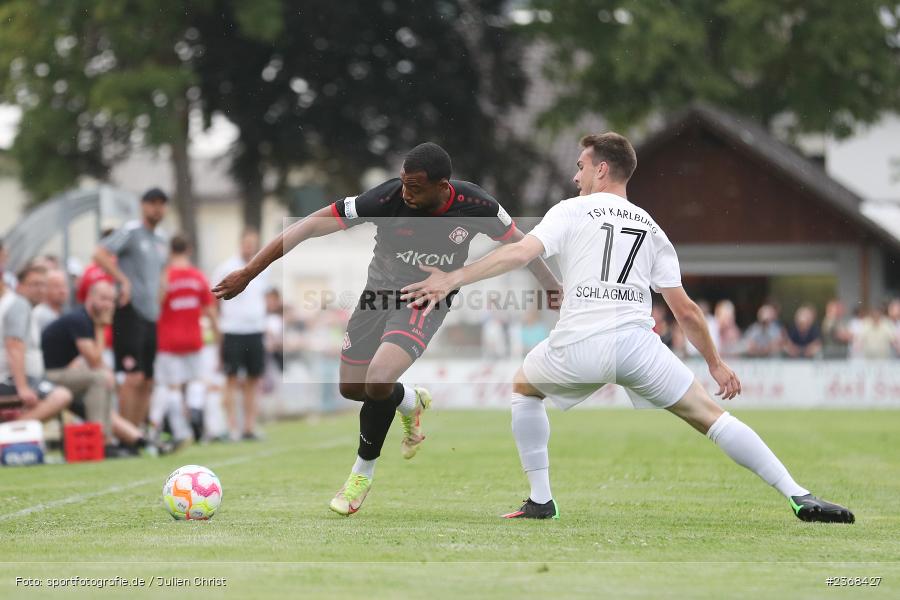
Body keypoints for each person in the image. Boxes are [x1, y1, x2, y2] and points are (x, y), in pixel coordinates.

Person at [402, 132, 854, 524]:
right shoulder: (652, 226)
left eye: (580, 167)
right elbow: (686, 310)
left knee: (524, 388)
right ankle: (799, 494)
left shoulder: (570, 211)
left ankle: (541, 501)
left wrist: (453, 278)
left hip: (578, 344)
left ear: (601, 169)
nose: (575, 177)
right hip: (639, 346)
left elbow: (521, 253)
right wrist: (716, 365)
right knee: (714, 419)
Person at [213, 142, 561, 516]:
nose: (406, 193)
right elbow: (310, 226)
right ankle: (409, 400)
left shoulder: (478, 206)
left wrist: (551, 285)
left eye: (415, 186)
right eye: (403, 183)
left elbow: (522, 246)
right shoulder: (384, 198)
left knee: (378, 378)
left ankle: (360, 476)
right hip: (376, 296)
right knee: (353, 388)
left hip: (426, 299)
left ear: (443, 186)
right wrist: (249, 272)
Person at [41, 280, 149, 456]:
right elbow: (94, 359)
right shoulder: (80, 319)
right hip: (48, 376)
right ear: (90, 297)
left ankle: (114, 440)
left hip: (65, 373)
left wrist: (109, 376)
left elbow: (95, 361)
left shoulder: (87, 319)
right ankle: (102, 442)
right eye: (103, 298)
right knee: (99, 377)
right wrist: (101, 327)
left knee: (103, 378)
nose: (108, 304)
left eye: (111, 300)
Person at [93, 188, 168, 428]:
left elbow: (159, 271)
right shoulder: (131, 231)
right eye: (152, 203)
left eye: (161, 203)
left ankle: (138, 435)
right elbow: (100, 253)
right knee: (132, 377)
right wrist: (122, 280)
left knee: (147, 379)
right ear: (143, 205)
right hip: (130, 312)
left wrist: (161, 288)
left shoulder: (161, 239)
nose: (157, 208)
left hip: (150, 315)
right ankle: (126, 435)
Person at [152, 234, 219, 446]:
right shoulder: (198, 277)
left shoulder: (165, 277)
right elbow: (209, 310)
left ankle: (180, 430)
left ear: (170, 251)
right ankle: (196, 416)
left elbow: (156, 306)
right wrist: (218, 335)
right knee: (197, 381)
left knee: (172, 386)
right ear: (189, 250)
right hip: (193, 338)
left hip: (169, 340)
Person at [213, 228, 268, 442]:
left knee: (253, 380)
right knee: (231, 379)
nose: (249, 248)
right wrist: (219, 326)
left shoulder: (263, 269)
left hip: (255, 331)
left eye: (253, 244)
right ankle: (231, 426)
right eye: (246, 243)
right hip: (233, 330)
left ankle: (249, 427)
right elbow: (215, 297)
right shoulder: (226, 267)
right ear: (240, 244)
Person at [0, 263, 72, 423]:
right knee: (60, 396)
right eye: (34, 284)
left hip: (19, 378)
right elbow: (14, 346)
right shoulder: (18, 304)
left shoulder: (16, 304)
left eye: (43, 285)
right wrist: (23, 387)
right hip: (8, 379)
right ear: (18, 286)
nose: (40, 289)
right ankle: (8, 434)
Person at [32, 268, 69, 333]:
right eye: (57, 286)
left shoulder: (64, 312)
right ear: (45, 288)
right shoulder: (41, 315)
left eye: (64, 285)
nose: (62, 291)